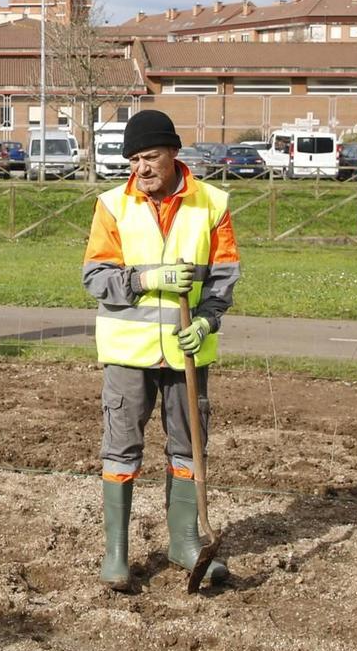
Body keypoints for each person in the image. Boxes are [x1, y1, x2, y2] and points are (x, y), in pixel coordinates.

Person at [82, 109, 240, 591]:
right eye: (133, 159)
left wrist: (209, 319)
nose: (141, 168)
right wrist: (146, 279)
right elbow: (94, 278)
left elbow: (224, 276)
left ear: (174, 153)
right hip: (128, 352)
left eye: (150, 156)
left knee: (189, 445)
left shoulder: (211, 203)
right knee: (121, 449)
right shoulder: (113, 205)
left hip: (187, 352)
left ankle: (185, 543)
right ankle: (116, 555)